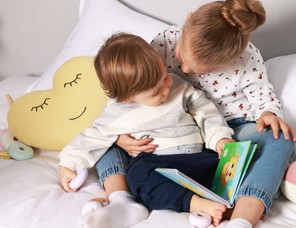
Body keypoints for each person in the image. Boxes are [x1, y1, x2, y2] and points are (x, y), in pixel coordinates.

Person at [116, 0, 296, 228]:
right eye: (181, 58)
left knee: (281, 138)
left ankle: (242, 218)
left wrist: (268, 114)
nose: (183, 68)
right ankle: (118, 200)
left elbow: (263, 98)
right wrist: (119, 137)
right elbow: (138, 88)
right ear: (187, 20)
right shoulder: (164, 42)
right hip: (179, 128)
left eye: (199, 71)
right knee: (103, 139)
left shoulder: (248, 58)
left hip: (231, 131)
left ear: (232, 59)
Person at [58, 33, 235, 227]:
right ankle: (194, 203)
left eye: (165, 78)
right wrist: (67, 165)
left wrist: (220, 139)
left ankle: (230, 199)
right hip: (159, 167)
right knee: (138, 175)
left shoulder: (179, 87)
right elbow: (91, 137)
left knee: (232, 164)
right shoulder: (117, 113)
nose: (167, 89)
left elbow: (205, 112)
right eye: (155, 92)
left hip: (197, 160)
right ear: (127, 98)